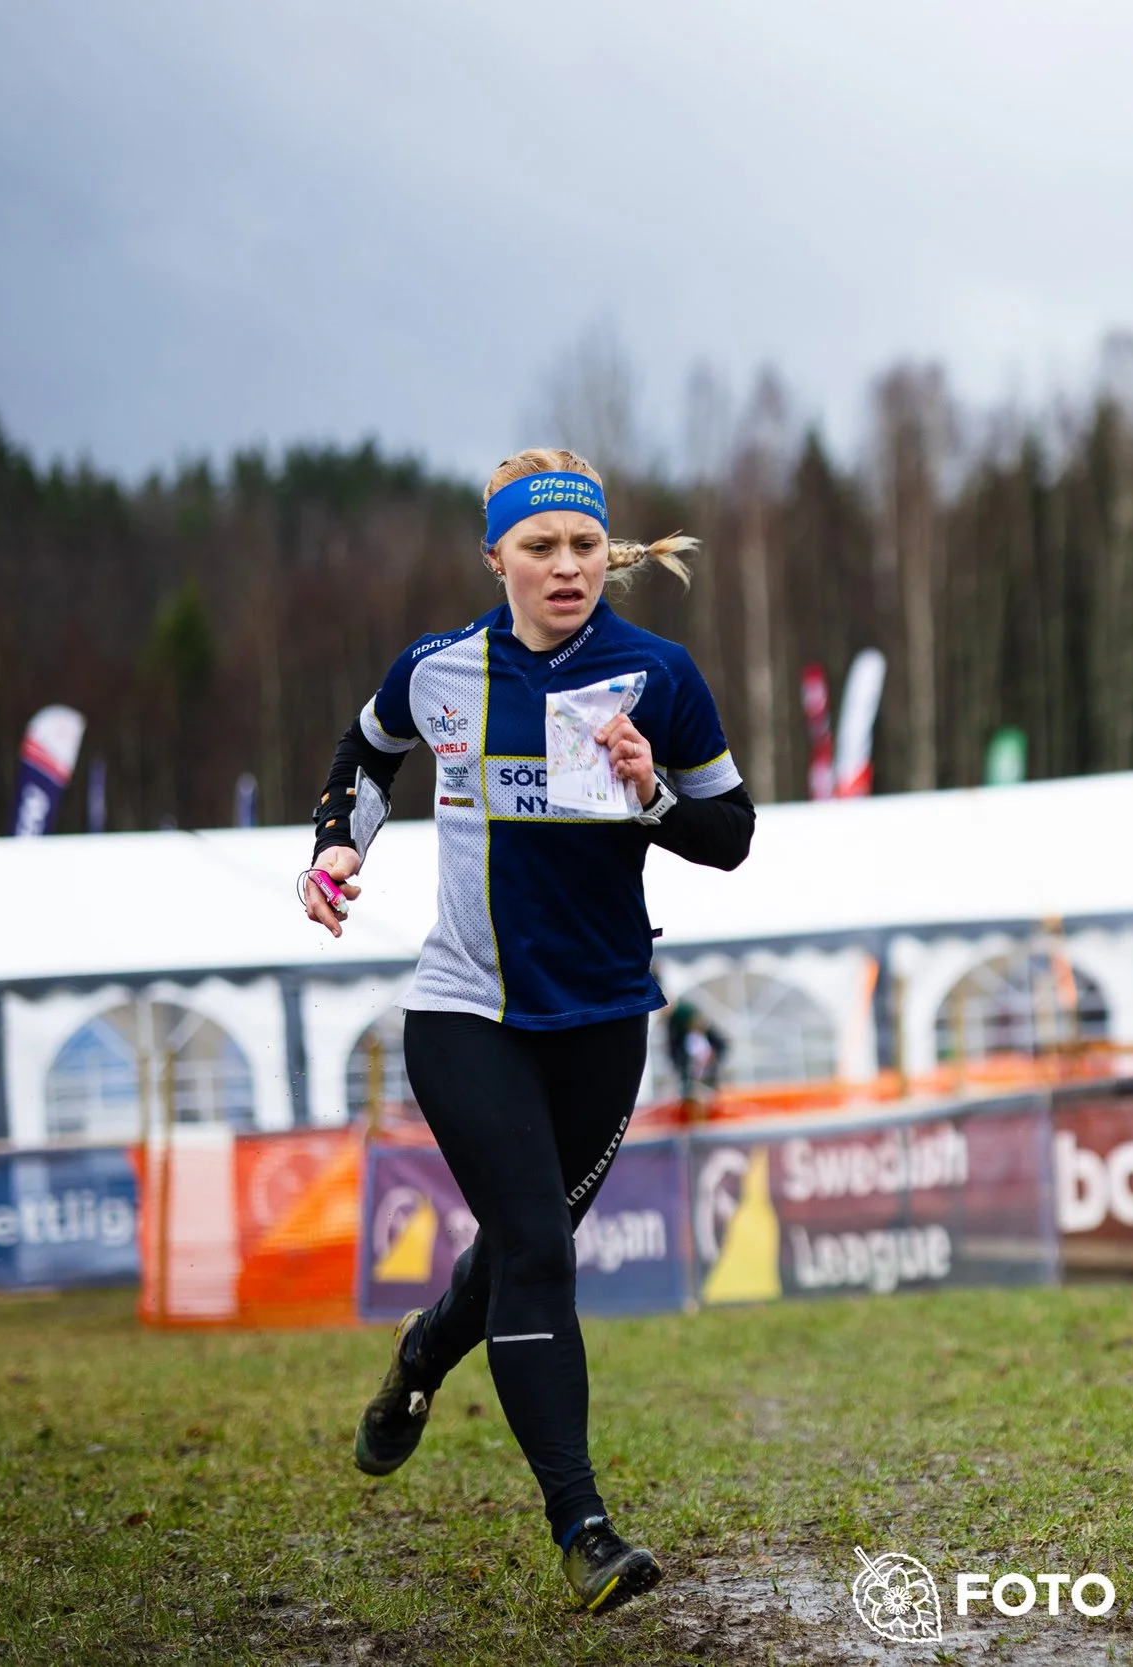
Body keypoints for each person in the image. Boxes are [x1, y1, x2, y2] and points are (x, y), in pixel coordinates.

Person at [299, 448, 756, 1613]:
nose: (565, 566)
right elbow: (367, 751)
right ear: (494, 556)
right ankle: (584, 1529)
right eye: (539, 546)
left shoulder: (659, 674)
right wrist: (337, 846)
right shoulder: (439, 667)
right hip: (466, 1011)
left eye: (584, 545)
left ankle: (421, 1354)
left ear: (609, 553)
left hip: (602, 1019)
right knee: (541, 1255)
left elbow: (731, 834)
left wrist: (652, 793)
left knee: (515, 1253)